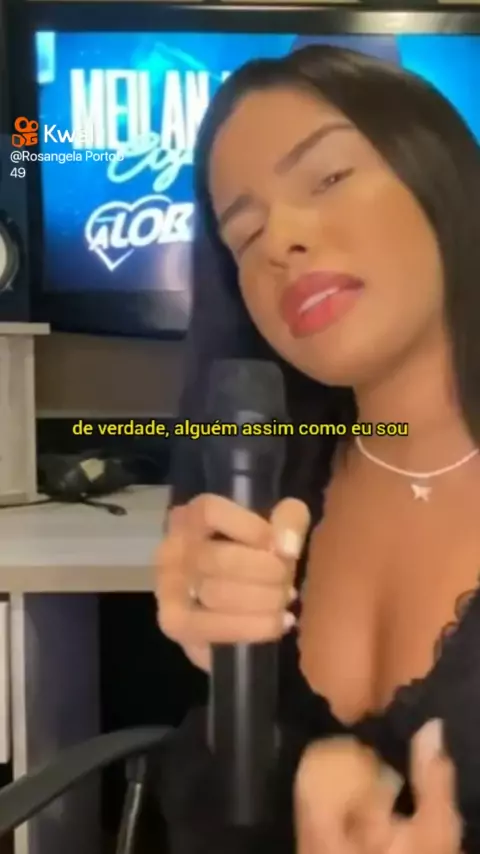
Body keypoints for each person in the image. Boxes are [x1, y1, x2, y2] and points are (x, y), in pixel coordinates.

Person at [155, 44, 480, 853]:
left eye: (329, 177)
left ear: (437, 172)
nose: (281, 242)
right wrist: (229, 690)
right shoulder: (268, 495)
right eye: (245, 234)